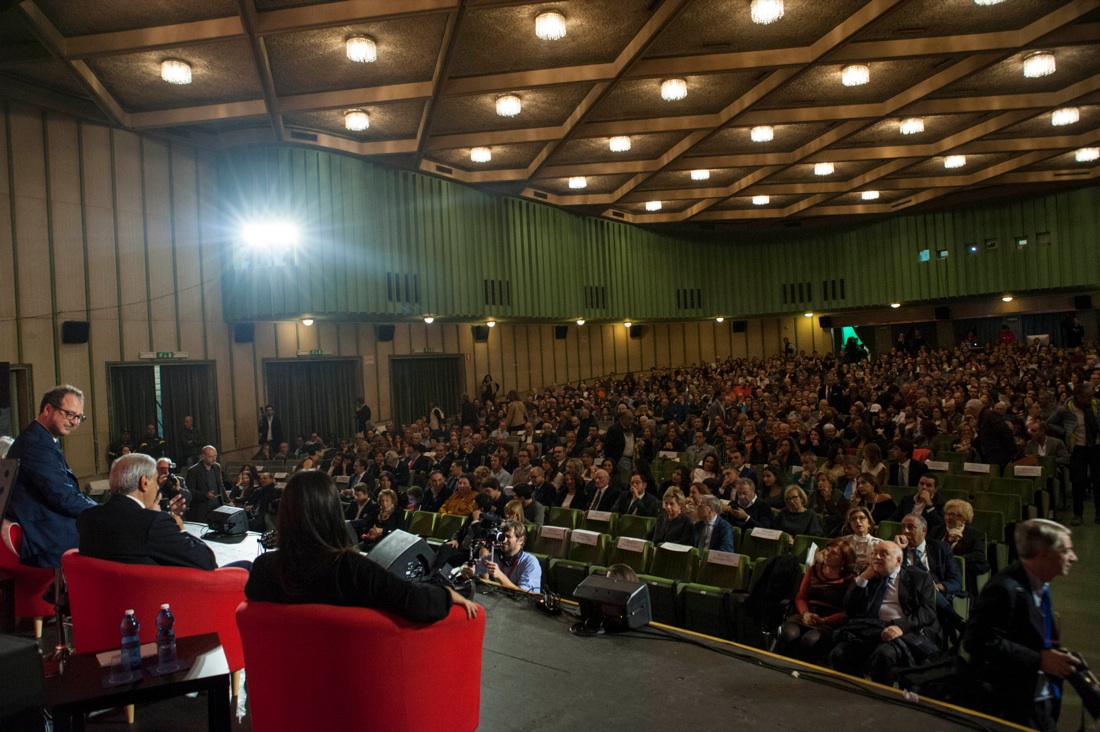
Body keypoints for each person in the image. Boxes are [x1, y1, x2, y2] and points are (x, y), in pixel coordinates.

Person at [245, 471, 478, 622]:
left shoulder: (263, 569)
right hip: (341, 684)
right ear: (333, 512)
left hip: (280, 684)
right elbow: (416, 603)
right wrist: (446, 594)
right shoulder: (351, 569)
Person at [964, 519, 1078, 732]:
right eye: (1066, 550)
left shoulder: (1038, 583)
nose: (1074, 557)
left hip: (1036, 700)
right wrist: (1039, 659)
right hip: (1010, 707)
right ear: (1044, 554)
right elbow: (976, 640)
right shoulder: (1004, 589)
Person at [3, 385, 97, 567]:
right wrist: (102, 511)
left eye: (79, 417)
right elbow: (63, 497)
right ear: (47, 409)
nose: (75, 422)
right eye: (70, 414)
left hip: (44, 523)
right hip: (44, 534)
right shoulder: (37, 444)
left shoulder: (41, 438)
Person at [77, 453, 216, 570]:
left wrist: (150, 514)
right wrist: (178, 526)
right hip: (152, 599)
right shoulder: (154, 522)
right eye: (155, 481)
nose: (157, 487)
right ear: (144, 482)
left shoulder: (87, 517)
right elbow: (206, 560)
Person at [828, 541, 940, 686]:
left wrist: (900, 627)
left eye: (884, 554)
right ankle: (859, 689)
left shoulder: (919, 578)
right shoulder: (870, 577)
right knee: (838, 654)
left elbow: (927, 612)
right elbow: (849, 609)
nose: (876, 557)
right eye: (874, 553)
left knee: (883, 654)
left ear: (898, 560)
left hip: (902, 632)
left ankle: (882, 696)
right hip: (871, 630)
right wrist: (862, 579)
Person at [776, 538, 856, 663]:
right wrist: (805, 613)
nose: (827, 554)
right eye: (827, 550)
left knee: (810, 640)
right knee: (788, 634)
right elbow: (801, 597)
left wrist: (824, 620)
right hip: (806, 614)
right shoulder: (813, 570)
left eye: (833, 553)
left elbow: (848, 611)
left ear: (843, 560)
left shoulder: (850, 580)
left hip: (829, 621)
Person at [1046, 382, 1099, 526]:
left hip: (1096, 447)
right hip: (1078, 448)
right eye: (1087, 397)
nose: (1091, 398)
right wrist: (1066, 432)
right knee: (1078, 482)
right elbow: (1050, 423)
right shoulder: (1066, 409)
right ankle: (1078, 514)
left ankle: (1099, 514)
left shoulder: (1096, 405)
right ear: (1078, 397)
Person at [930, 499, 989, 597]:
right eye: (946, 514)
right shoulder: (937, 530)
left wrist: (954, 560)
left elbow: (979, 556)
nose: (947, 518)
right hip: (936, 570)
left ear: (964, 518)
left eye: (952, 514)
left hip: (961, 573)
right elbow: (929, 549)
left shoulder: (976, 535)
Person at [462, 520, 541, 593]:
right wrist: (467, 569)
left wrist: (500, 576)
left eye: (508, 537)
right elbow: (468, 567)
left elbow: (524, 594)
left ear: (520, 540)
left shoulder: (530, 562)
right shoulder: (496, 556)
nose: (503, 540)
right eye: (502, 536)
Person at [185, 445, 228, 522]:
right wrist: (205, 495)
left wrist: (228, 501)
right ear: (203, 457)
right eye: (211, 456)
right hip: (202, 509)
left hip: (217, 507)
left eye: (215, 456)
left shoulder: (217, 467)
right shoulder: (193, 471)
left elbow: (220, 485)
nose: (214, 459)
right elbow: (190, 491)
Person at [843, 505, 882, 571]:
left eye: (861, 518)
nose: (857, 521)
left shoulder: (879, 543)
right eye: (853, 519)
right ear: (850, 524)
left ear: (869, 522)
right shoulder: (843, 541)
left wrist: (872, 565)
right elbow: (821, 555)